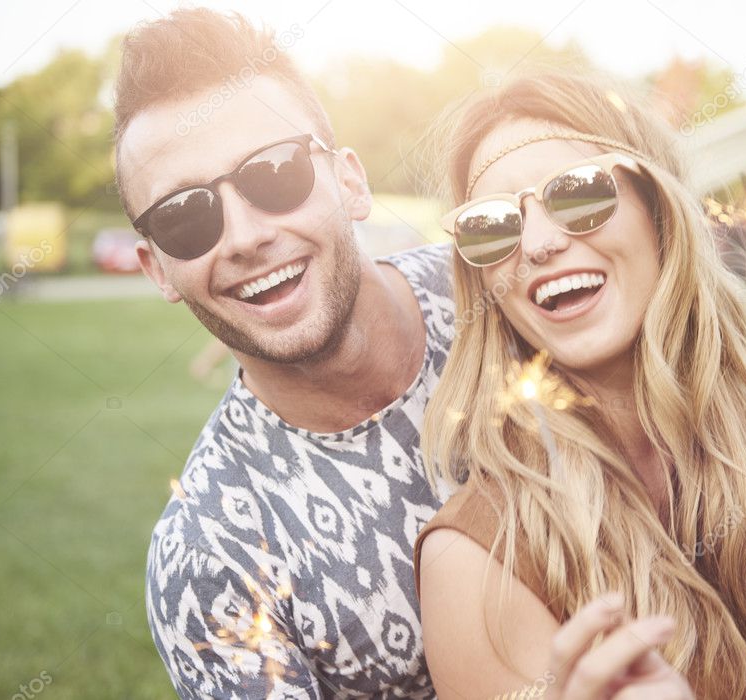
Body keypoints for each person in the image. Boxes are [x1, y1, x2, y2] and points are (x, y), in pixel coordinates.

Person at [413, 72, 746, 699]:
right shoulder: (478, 562)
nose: (537, 243)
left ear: (659, 210)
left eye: (577, 194)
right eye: (491, 225)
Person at [113, 9, 455, 698]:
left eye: (274, 173)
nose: (242, 236)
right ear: (157, 271)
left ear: (350, 183)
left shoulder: (509, 296)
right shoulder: (210, 559)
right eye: (185, 215)